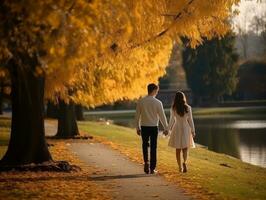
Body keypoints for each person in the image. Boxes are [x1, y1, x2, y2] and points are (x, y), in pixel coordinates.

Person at [135, 83, 168, 174]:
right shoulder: (158, 102)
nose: (157, 92)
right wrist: (166, 128)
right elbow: (162, 116)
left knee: (145, 145)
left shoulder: (141, 101)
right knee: (154, 147)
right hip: (154, 127)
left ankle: (146, 162)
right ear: (153, 91)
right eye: (156, 91)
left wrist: (137, 128)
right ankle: (152, 168)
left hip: (144, 127)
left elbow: (137, 116)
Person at [167, 91, 195, 173]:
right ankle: (184, 162)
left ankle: (180, 167)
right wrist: (193, 130)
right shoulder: (188, 107)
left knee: (178, 149)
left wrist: (168, 129)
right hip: (186, 128)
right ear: (183, 98)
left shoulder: (173, 108)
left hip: (177, 128)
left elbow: (171, 121)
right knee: (185, 148)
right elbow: (190, 120)